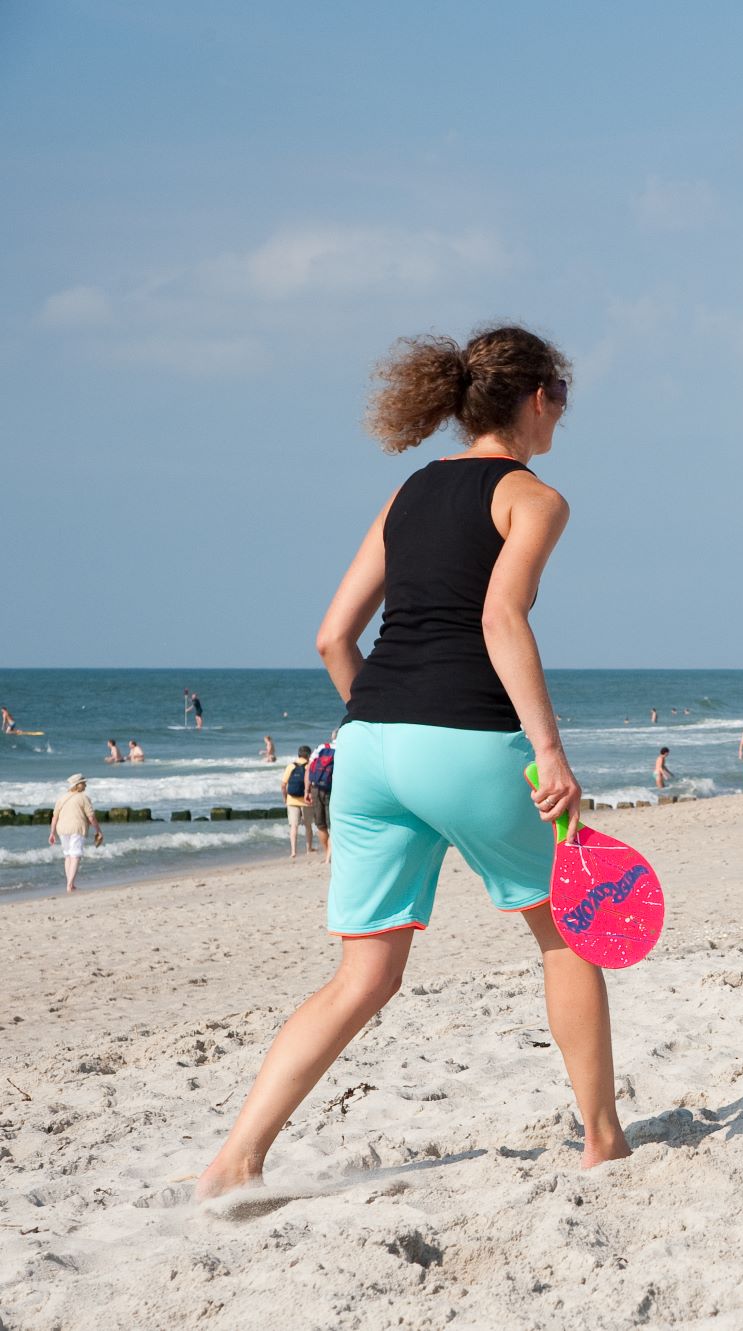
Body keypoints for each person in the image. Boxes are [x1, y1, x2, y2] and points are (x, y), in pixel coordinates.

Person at [196, 324, 629, 1200]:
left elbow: (333, 636)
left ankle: (235, 1160)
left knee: (363, 975)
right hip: (468, 742)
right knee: (566, 933)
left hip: (366, 746)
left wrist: (386, 721)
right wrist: (549, 751)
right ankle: (603, 1140)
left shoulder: (407, 493)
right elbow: (501, 617)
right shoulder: (534, 498)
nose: (561, 415)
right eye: (560, 399)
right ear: (536, 397)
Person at [49, 774, 104, 893]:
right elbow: (91, 817)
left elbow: (54, 817)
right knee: (75, 855)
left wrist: (52, 833)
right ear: (78, 785)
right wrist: (98, 831)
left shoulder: (62, 798)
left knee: (68, 855)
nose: (85, 785)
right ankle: (70, 885)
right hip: (77, 828)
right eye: (84, 783)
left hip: (62, 829)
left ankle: (70, 883)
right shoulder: (83, 798)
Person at [307, 735, 335, 859]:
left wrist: (306, 791)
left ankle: (327, 854)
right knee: (333, 825)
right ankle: (331, 855)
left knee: (321, 825)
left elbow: (309, 769)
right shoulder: (345, 748)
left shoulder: (322, 747)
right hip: (335, 790)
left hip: (316, 788)